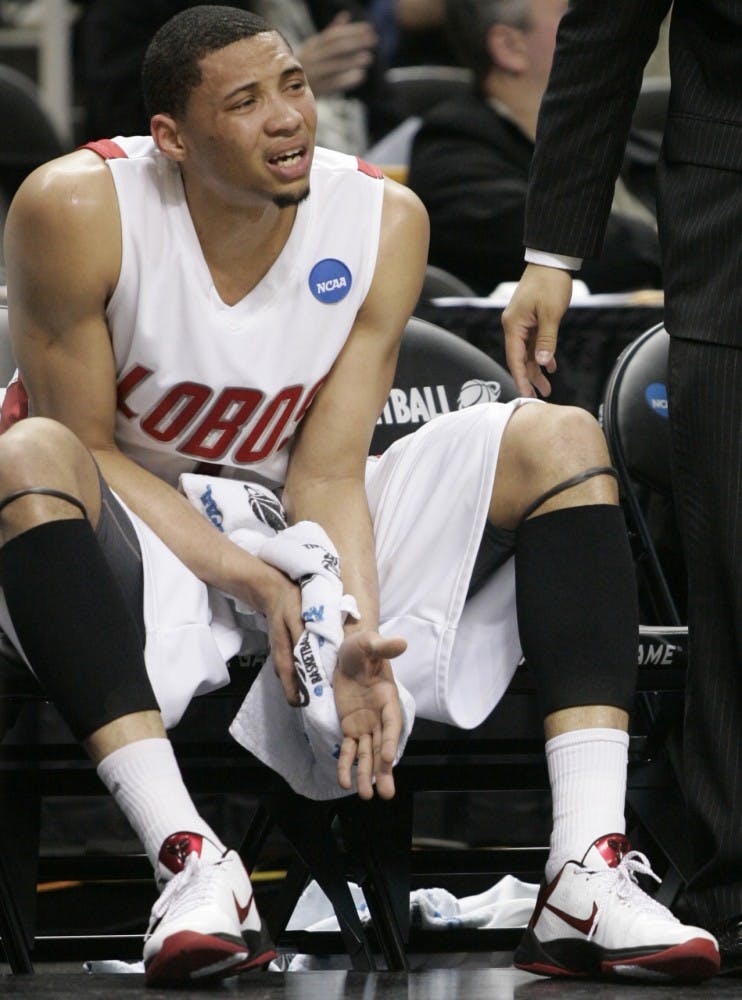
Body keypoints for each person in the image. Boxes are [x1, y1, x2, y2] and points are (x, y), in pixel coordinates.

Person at [0, 3, 720, 986]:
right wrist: (261, 585)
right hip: (122, 520)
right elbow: (84, 444)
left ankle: (581, 874)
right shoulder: (75, 204)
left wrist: (350, 632)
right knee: (27, 450)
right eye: (245, 102)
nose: (288, 116)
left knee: (557, 436)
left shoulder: (382, 215)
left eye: (293, 84)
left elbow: (331, 469)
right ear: (171, 138)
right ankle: (187, 857)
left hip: (286, 511)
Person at [502, 0, 742, 972]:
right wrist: (551, 254)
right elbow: (604, 32)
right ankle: (733, 884)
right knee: (732, 576)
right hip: (733, 243)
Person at [406, 0, 661, 297]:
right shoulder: (451, 151)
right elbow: (553, 242)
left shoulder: (630, 138)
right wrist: (683, 241)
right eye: (572, 13)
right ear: (510, 47)